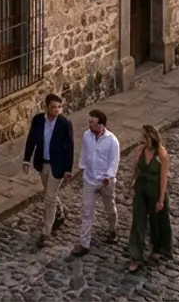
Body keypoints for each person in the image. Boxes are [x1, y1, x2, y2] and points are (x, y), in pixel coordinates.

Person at [21, 93, 75, 247]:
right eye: (53, 107)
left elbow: (70, 147)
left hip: (57, 165)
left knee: (49, 198)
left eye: (59, 107)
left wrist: (68, 169)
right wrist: (26, 159)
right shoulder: (38, 120)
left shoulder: (65, 124)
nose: (57, 110)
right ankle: (62, 211)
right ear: (47, 107)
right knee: (49, 192)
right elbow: (31, 139)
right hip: (42, 162)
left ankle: (46, 232)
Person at [72, 109, 120, 258]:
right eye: (90, 121)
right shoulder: (87, 136)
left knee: (109, 208)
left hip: (105, 181)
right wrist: (83, 168)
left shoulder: (112, 141)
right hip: (89, 179)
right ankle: (84, 243)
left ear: (101, 124)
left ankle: (113, 229)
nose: (89, 124)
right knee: (87, 211)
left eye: (93, 122)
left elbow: (114, 161)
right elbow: (85, 153)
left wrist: (108, 176)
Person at [126, 124, 172, 273]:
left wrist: (161, 199)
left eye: (144, 136)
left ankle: (157, 248)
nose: (142, 139)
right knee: (138, 220)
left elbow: (163, 179)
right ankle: (135, 255)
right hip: (141, 188)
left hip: (154, 188)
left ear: (151, 137)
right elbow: (136, 169)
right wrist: (132, 181)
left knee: (156, 220)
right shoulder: (139, 150)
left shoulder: (161, 155)